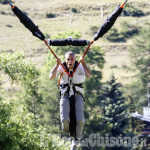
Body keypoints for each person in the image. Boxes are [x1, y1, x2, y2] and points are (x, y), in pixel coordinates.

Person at [49, 51, 92, 150]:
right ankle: (69, 131)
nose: (70, 61)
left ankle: (75, 140)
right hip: (65, 95)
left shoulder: (79, 66)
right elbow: (51, 77)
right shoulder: (62, 66)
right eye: (68, 59)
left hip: (77, 95)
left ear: (75, 59)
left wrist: (83, 63)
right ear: (65, 60)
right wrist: (57, 65)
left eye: (72, 59)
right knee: (64, 120)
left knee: (80, 120)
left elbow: (89, 75)